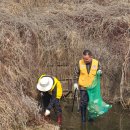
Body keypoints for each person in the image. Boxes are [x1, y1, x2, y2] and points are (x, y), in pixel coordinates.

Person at [73, 50, 102, 123]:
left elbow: (100, 72)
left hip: (93, 87)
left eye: (86, 59)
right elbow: (75, 73)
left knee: (92, 103)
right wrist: (75, 83)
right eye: (84, 58)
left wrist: (100, 72)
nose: (85, 60)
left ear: (91, 57)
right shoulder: (79, 63)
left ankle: (91, 118)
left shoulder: (97, 63)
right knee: (83, 103)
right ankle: (83, 119)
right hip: (83, 87)